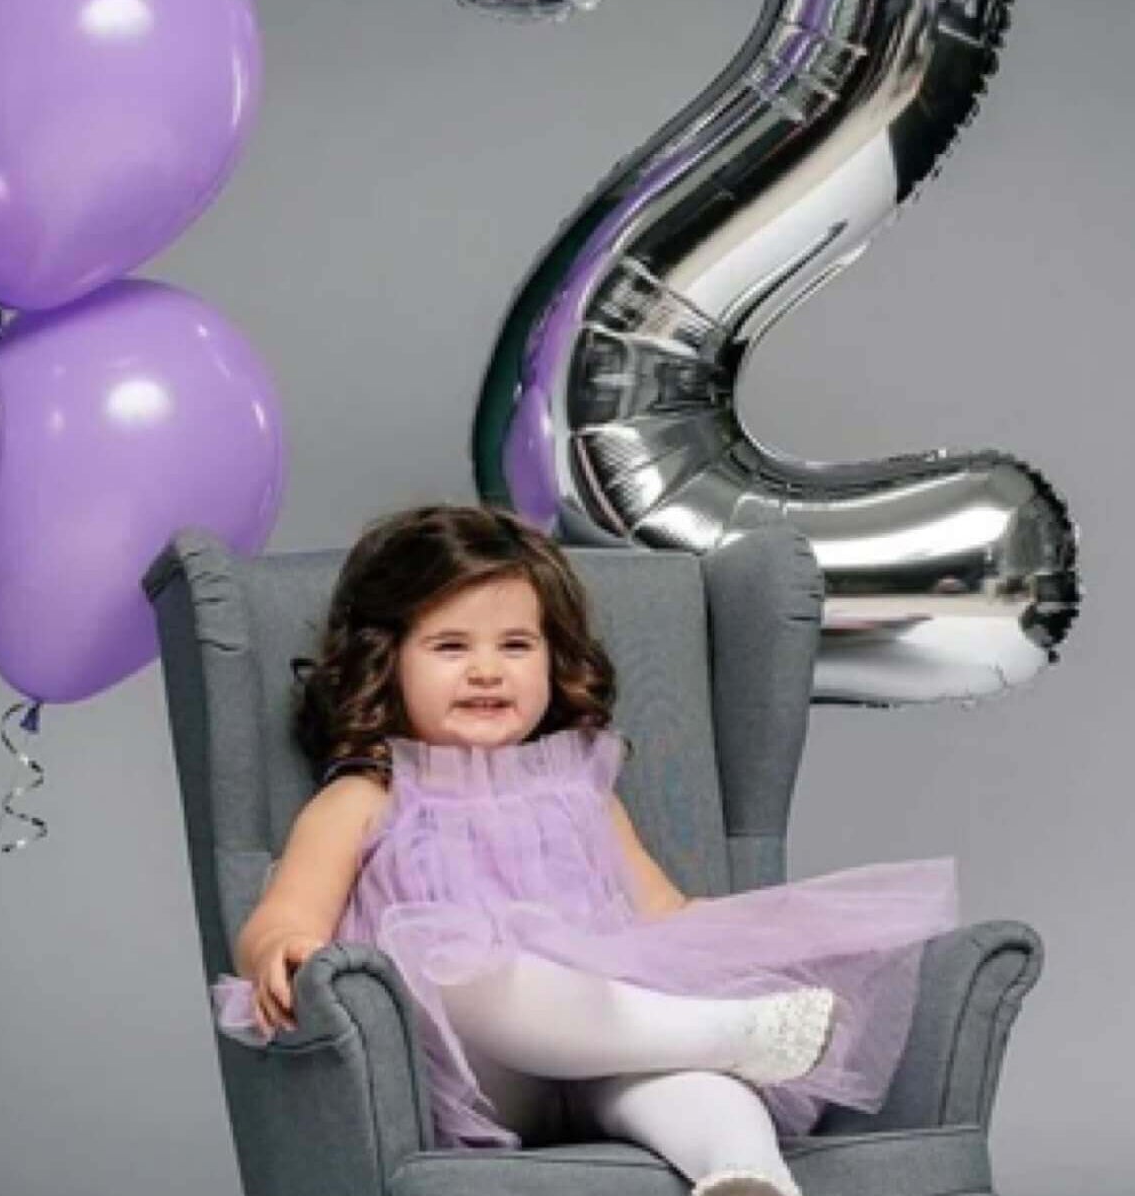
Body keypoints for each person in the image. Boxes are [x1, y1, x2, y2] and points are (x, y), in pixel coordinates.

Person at [209, 505, 960, 1196]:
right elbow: (280, 917)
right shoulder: (365, 796)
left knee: (700, 1091)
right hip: (476, 1070)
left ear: (551, 658)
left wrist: (764, 943)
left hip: (607, 1041)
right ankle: (726, 1034)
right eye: (448, 645)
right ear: (387, 663)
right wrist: (283, 946)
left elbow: (662, 912)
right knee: (460, 963)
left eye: (515, 644)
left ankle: (745, 1176)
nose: (485, 669)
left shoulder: (578, 787)